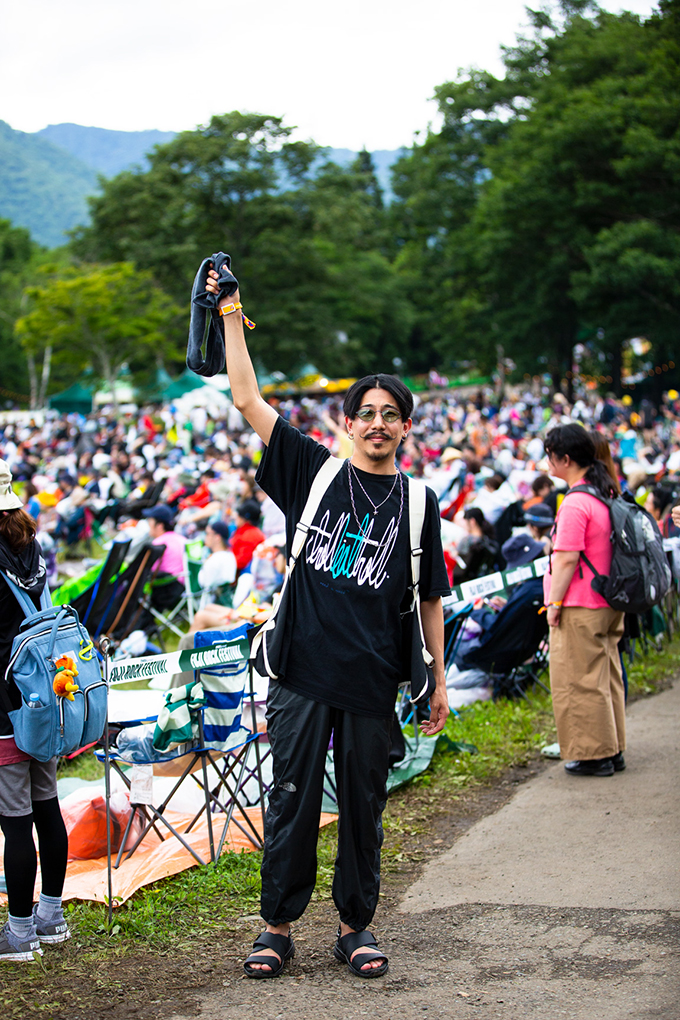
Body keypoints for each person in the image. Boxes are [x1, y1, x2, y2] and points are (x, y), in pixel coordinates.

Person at [205, 261, 450, 979]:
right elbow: (246, 396)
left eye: (389, 414)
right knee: (292, 799)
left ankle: (354, 927)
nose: (376, 424)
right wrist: (231, 312)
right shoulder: (312, 470)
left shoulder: (418, 502)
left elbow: (428, 596)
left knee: (365, 810)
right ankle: (276, 928)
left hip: (374, 678)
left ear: (405, 426)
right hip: (302, 670)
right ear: (348, 424)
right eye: (364, 414)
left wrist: (434, 680)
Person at [0, 460, 70, 963]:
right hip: (44, 696)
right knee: (46, 806)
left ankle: (20, 934)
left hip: (4, 703)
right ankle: (52, 916)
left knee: (15, 819)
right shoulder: (31, 544)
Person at [543, 425, 625, 778]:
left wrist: (554, 603)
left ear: (564, 459)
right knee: (606, 676)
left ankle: (594, 755)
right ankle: (613, 748)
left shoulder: (575, 502)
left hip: (580, 602)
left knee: (579, 680)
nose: (547, 461)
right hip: (606, 600)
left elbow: (566, 558)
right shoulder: (602, 494)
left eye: (550, 454)